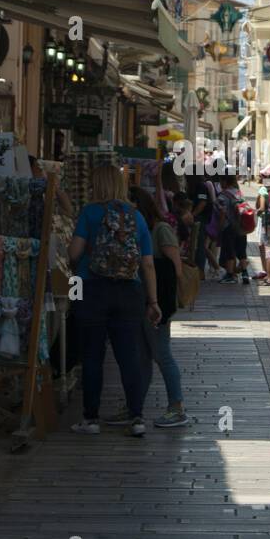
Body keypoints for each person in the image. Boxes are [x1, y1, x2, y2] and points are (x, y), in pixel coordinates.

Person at [68, 164, 160, 438]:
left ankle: (91, 419)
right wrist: (153, 301)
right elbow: (147, 263)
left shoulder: (89, 212)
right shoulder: (136, 216)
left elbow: (74, 254)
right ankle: (136, 417)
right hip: (129, 292)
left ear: (97, 184)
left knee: (93, 356)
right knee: (128, 356)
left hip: (92, 289)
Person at [128, 187, 189, 428]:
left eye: (129, 203)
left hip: (158, 302)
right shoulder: (136, 230)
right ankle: (135, 406)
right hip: (142, 300)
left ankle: (177, 406)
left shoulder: (160, 229)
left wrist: (159, 303)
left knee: (162, 354)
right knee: (142, 357)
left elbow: (176, 269)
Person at [216, 173, 250, 284]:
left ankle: (230, 275)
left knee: (229, 251)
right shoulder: (239, 193)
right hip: (241, 227)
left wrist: (220, 227)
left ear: (225, 181)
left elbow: (222, 212)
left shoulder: (223, 195)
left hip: (229, 227)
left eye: (221, 181)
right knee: (242, 251)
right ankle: (245, 274)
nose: (220, 184)